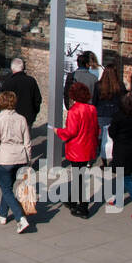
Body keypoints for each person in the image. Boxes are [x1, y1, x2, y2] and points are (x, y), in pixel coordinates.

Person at [0, 91, 32, 233]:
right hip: (20, 157)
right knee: (8, 187)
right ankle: (2, 214)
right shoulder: (22, 119)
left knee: (6, 189)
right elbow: (27, 142)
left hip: (5, 158)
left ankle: (20, 217)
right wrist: (28, 160)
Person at [57, 82, 100, 217]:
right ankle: (72, 200)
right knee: (80, 175)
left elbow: (70, 131)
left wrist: (58, 131)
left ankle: (83, 206)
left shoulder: (74, 111)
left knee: (78, 177)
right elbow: (96, 129)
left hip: (77, 148)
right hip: (87, 146)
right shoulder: (92, 109)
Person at [94, 66, 126, 166]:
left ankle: (104, 160)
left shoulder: (98, 85)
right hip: (115, 114)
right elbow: (123, 101)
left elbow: (95, 100)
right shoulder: (120, 85)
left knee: (101, 138)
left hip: (102, 113)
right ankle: (114, 159)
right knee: (115, 138)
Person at [1, 58, 41, 128]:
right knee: (26, 137)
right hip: (28, 117)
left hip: (11, 118)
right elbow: (37, 99)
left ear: (12, 68)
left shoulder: (8, 82)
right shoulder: (31, 81)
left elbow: (2, 101)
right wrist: (34, 113)